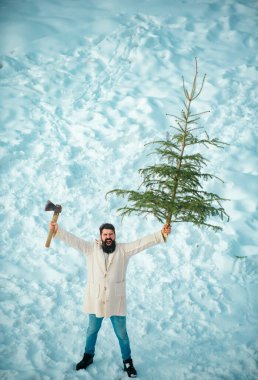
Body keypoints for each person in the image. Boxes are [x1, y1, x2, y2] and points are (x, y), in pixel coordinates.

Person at [49, 221, 171, 378]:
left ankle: (127, 361)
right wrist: (57, 231)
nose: (108, 237)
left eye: (111, 234)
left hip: (116, 300)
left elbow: (143, 243)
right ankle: (88, 356)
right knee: (91, 330)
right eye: (105, 234)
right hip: (96, 299)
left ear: (115, 235)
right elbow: (74, 240)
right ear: (100, 236)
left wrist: (161, 234)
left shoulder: (123, 250)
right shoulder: (91, 249)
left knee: (122, 334)